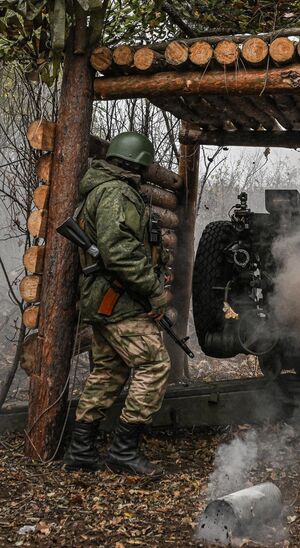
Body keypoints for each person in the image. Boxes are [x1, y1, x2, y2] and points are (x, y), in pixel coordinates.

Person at [63, 131, 171, 477]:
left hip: (107, 299)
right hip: (119, 301)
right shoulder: (116, 193)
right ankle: (123, 451)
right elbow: (120, 251)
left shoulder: (102, 189)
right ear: (137, 164)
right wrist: (154, 290)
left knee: (108, 371)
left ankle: (81, 450)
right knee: (154, 365)